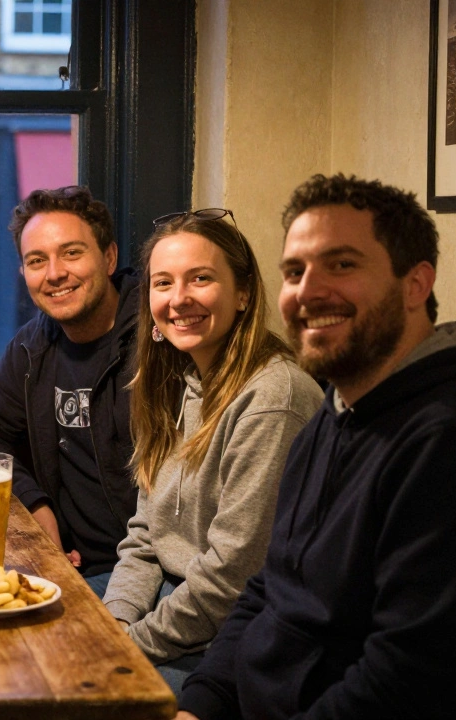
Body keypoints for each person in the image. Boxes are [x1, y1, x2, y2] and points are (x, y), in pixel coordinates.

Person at [177, 174, 456, 720]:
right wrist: (200, 703)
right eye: (295, 271)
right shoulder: (335, 413)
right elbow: (267, 590)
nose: (308, 291)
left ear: (415, 284)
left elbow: (409, 685)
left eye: (343, 264)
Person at [101, 209, 322, 698]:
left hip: (232, 638)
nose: (179, 299)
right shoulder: (174, 379)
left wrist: (125, 647)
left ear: (243, 293)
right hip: (170, 605)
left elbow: (232, 582)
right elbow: (144, 536)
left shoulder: (274, 399)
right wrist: (113, 622)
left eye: (200, 279)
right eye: (163, 283)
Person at [0, 185, 140, 596]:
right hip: (74, 570)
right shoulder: (33, 346)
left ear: (109, 257)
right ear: (24, 274)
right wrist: (39, 510)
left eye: (72, 253)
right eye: (37, 261)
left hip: (152, 576)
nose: (55, 273)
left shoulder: (161, 335)